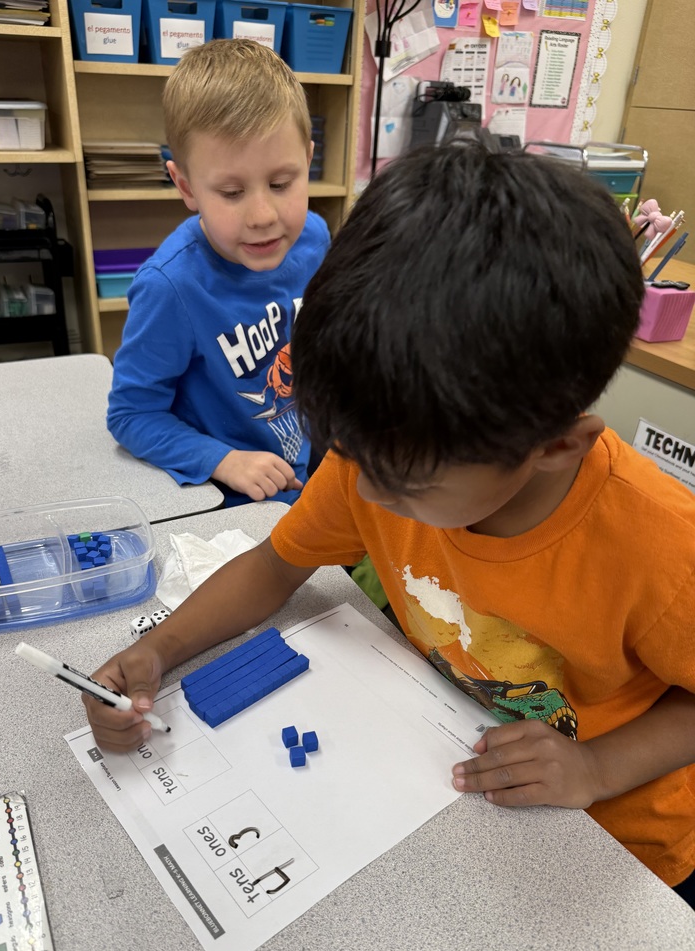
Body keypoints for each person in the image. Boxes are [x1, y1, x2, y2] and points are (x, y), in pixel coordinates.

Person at [86, 142, 695, 903]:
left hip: (617, 839)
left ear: (555, 445)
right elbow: (276, 565)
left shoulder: (661, 545)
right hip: (460, 775)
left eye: (404, 485)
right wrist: (158, 648)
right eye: (348, 453)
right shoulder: (382, 455)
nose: (364, 493)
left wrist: (599, 768)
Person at [106, 39, 330, 505]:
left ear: (308, 162)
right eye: (231, 192)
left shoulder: (313, 237)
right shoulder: (171, 287)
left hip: (305, 469)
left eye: (281, 184)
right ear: (186, 187)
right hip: (223, 501)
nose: (263, 214)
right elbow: (131, 415)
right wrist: (225, 459)